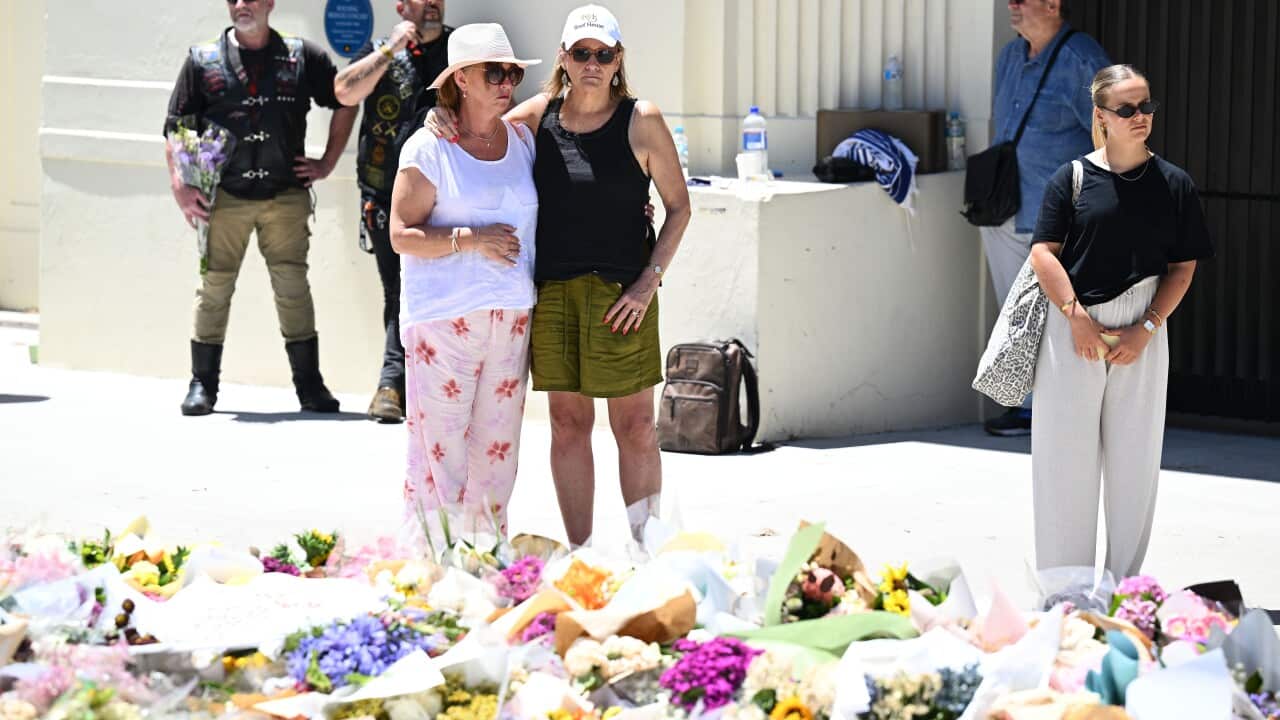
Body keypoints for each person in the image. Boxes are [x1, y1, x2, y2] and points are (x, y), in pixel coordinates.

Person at [427, 5, 691, 550]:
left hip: (624, 295)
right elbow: (482, 129)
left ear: (618, 60)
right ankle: (581, 554)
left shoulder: (642, 118)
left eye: (603, 53)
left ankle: (648, 551)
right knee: (568, 427)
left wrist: (648, 283)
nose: (591, 63)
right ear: (563, 59)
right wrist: (441, 117)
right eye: (580, 53)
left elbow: (679, 208)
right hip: (551, 293)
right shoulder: (538, 115)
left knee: (636, 429)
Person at [1028, 65, 1213, 578]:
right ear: (1101, 116)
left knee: (1135, 467)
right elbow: (1044, 252)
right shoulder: (1072, 178)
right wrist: (1075, 317)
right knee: (1064, 464)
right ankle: (1065, 589)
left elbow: (1183, 267)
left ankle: (1124, 589)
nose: (1140, 118)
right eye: (1127, 109)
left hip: (1144, 328)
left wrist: (1147, 328)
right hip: (1075, 330)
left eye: (1146, 107)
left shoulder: (1174, 183)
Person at [166, 0, 357, 416]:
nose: (240, 5)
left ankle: (310, 386)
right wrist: (181, 185)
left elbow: (346, 98)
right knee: (213, 288)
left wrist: (327, 162)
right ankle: (202, 384)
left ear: (270, 3)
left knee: (293, 289)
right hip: (225, 197)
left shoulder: (303, 55)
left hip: (285, 194)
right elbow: (177, 124)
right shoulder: (203, 61)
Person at [390, 23, 541, 548]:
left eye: (514, 72)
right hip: (444, 321)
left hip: (511, 319)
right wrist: (472, 238)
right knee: (440, 454)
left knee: (498, 455)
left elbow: (571, 99)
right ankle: (432, 566)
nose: (507, 82)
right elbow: (401, 235)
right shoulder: (428, 148)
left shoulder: (521, 138)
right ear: (461, 81)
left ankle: (486, 561)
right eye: (494, 72)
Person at [982, 0, 1110, 436]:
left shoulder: (1081, 58)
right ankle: (1029, 408)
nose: (1011, 7)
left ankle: (1060, 413)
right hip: (1005, 207)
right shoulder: (1009, 56)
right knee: (1016, 313)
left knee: (1061, 314)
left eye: (1020, 0)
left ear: (1052, 4)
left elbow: (1110, 132)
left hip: (1059, 215)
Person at [334, 0, 452, 423]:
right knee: (397, 293)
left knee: (431, 293)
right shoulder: (381, 50)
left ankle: (403, 385)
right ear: (402, 5)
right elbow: (344, 91)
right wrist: (388, 51)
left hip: (447, 198)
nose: (434, 3)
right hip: (384, 196)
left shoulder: (460, 50)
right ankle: (393, 385)